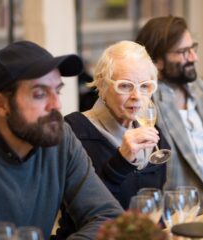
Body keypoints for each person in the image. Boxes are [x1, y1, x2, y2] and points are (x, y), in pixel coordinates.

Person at [0, 40, 123, 240]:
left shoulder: (60, 138)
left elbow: (109, 217)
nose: (56, 104)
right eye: (39, 94)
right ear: (1, 104)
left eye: (58, 91)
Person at [135, 16, 203, 209]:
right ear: (156, 61)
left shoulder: (200, 88)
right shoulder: (147, 101)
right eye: (183, 52)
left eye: (193, 48)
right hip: (185, 206)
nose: (193, 57)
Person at [64, 40, 169, 209]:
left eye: (145, 86)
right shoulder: (74, 131)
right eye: (126, 86)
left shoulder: (154, 134)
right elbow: (82, 209)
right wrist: (122, 160)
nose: (137, 96)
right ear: (102, 84)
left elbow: (158, 204)